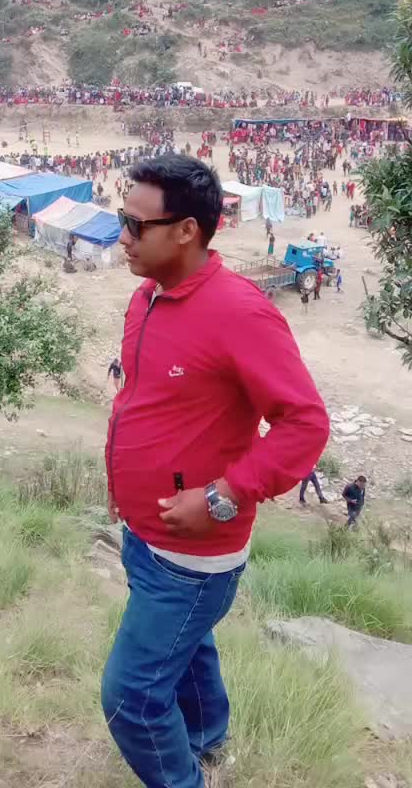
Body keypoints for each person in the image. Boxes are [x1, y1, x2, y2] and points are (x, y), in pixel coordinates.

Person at [102, 155, 329, 788]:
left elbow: (304, 423)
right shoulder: (147, 297)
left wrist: (223, 497)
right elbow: (147, 402)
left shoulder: (240, 313)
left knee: (131, 696)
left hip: (193, 554)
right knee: (191, 648)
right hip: (145, 533)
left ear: (186, 231)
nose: (122, 236)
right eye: (122, 218)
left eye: (136, 225)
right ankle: (206, 741)